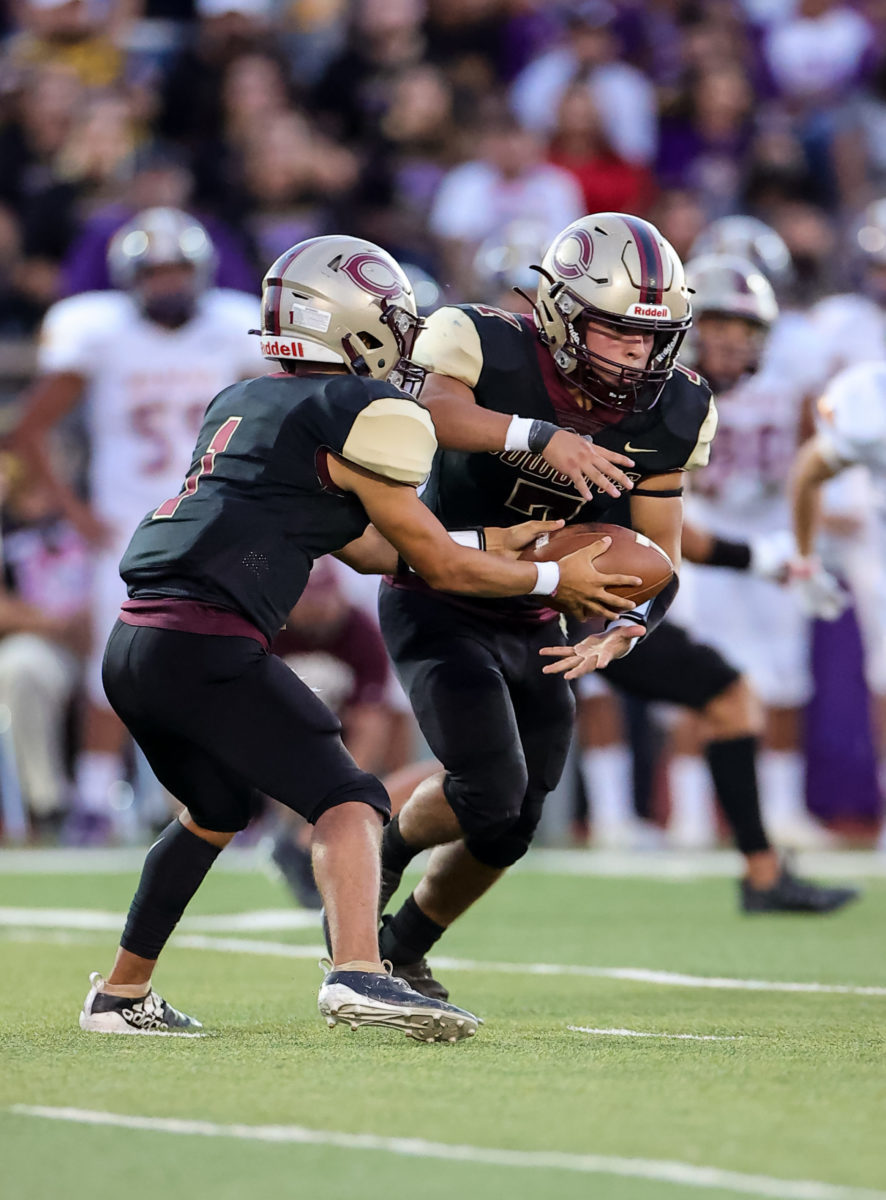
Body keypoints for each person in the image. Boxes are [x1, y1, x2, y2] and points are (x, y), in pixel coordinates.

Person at [77, 233, 632, 1041]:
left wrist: (497, 543)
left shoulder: (240, 400)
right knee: (352, 798)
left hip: (138, 643)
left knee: (214, 807)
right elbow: (434, 564)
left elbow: (371, 547)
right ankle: (359, 975)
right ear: (357, 326)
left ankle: (121, 996)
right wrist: (555, 581)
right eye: (395, 324)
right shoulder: (365, 410)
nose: (406, 343)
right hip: (208, 640)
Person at [373, 213, 713, 999]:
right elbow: (426, 408)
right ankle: (380, 855)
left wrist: (627, 628)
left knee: (517, 818)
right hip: (443, 587)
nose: (638, 355)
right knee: (488, 785)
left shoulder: (679, 406)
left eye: (652, 339)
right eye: (618, 333)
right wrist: (536, 435)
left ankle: (406, 944)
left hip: (541, 611)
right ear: (561, 315)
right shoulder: (481, 337)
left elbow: (661, 556)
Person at [12, 207, 265, 840]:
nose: (168, 283)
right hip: (130, 524)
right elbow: (27, 430)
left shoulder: (231, 328)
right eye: (154, 272)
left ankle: (223, 791)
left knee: (225, 655)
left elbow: (280, 415)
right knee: (115, 659)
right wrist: (74, 510)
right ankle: (96, 800)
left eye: (178, 269)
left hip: (212, 521)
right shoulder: (97, 332)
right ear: (130, 277)